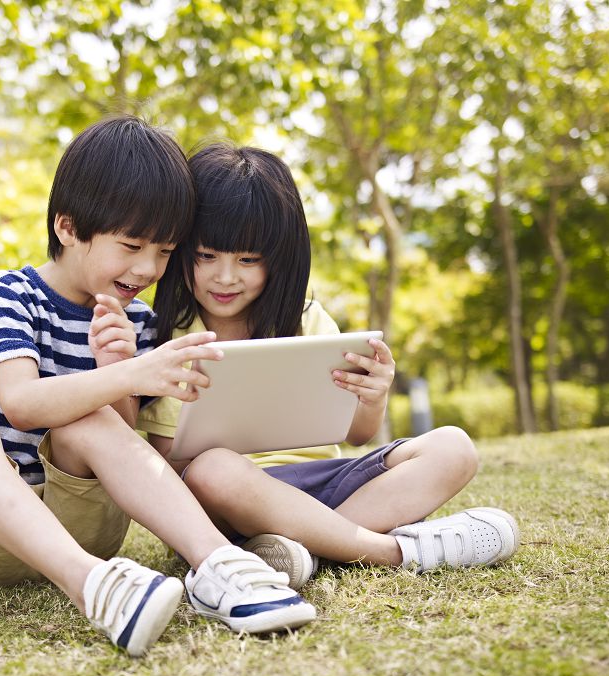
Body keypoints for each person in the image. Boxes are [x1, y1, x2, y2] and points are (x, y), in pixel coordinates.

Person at [0, 118, 316, 658]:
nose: (148, 267)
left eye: (164, 251)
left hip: (86, 524)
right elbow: (20, 405)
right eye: (131, 245)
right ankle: (92, 587)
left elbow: (125, 446)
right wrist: (124, 373)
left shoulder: (140, 322)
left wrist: (122, 367)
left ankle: (223, 567)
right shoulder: (9, 294)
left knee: (95, 420)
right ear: (67, 226)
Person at [139, 142, 520, 589]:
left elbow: (356, 435)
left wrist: (373, 396)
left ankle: (299, 552)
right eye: (207, 257)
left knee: (454, 447)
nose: (225, 277)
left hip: (326, 486)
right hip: (228, 505)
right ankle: (391, 552)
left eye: (247, 260)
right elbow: (168, 470)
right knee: (213, 469)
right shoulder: (171, 338)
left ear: (279, 259)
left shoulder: (310, 322)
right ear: (182, 252)